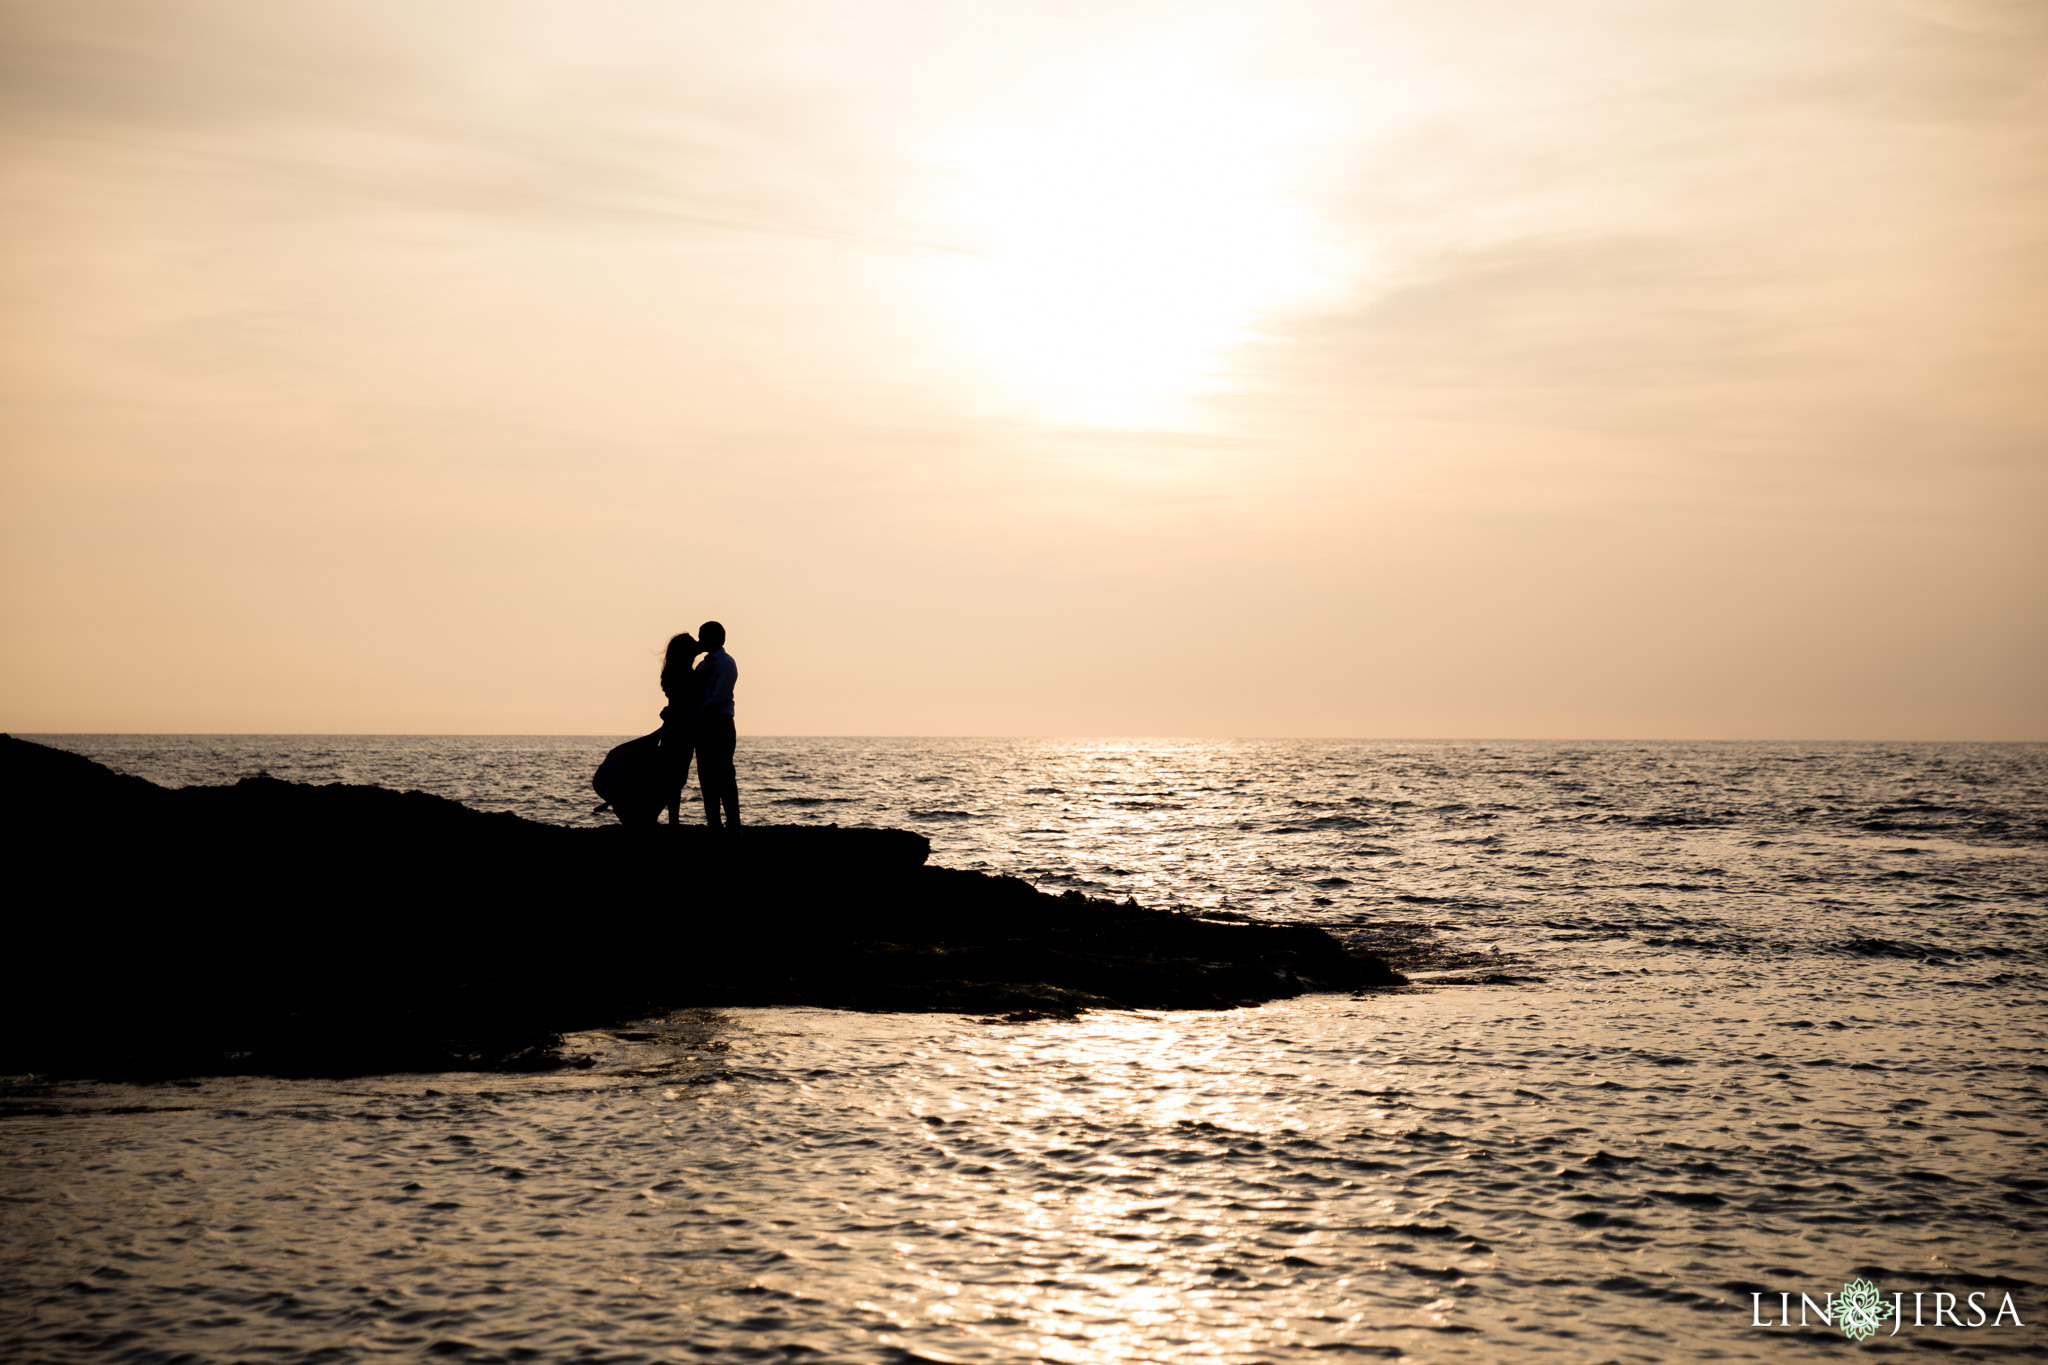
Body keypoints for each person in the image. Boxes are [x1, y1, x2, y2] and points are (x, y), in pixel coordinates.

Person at [692, 620, 740, 830]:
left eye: (702, 636)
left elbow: (718, 696)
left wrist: (695, 714)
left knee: (724, 776)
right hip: (704, 724)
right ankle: (714, 824)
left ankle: (733, 825)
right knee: (706, 777)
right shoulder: (703, 664)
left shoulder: (726, 663)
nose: (699, 640)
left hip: (719, 724)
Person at [656, 631, 704, 825]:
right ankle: (672, 821)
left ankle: (671, 820)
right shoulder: (686, 674)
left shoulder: (672, 672)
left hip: (673, 727)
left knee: (673, 777)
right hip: (682, 729)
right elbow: (687, 702)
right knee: (676, 777)